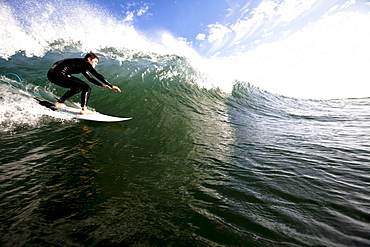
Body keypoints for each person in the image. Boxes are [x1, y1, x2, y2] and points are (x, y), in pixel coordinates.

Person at [47, 52, 121, 114]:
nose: (96, 64)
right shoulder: (85, 63)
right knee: (87, 87)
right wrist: (111, 86)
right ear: (89, 59)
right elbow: (97, 75)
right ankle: (83, 110)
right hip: (59, 74)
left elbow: (90, 78)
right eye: (95, 62)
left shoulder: (81, 65)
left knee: (79, 87)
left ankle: (60, 102)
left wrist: (101, 84)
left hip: (51, 75)